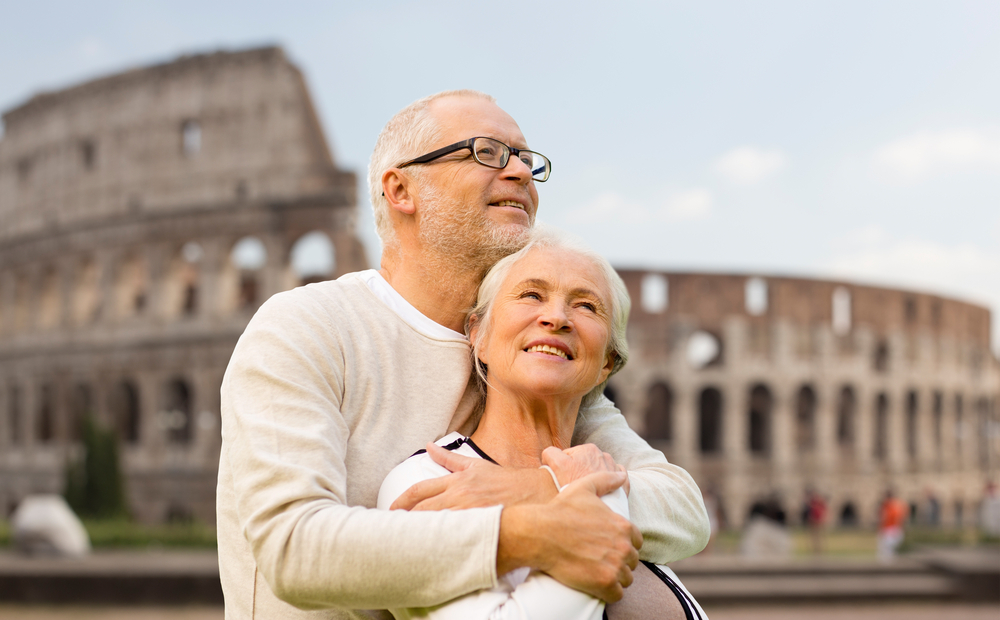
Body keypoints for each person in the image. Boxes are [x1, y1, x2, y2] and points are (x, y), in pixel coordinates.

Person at [216, 90, 710, 619]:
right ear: (401, 189)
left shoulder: (526, 358)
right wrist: (527, 532)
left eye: (525, 158)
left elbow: (682, 509)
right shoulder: (308, 326)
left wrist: (536, 488)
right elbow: (294, 548)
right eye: (487, 152)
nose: (520, 171)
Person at [378, 228, 707, 620]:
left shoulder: (605, 470)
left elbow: (688, 517)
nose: (556, 318)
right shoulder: (429, 477)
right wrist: (596, 496)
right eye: (531, 295)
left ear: (607, 363)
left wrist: (556, 487)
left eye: (586, 306)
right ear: (478, 334)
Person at [877, 490, 907, 563]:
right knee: (885, 552)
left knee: (888, 552)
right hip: (888, 530)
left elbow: (897, 519)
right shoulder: (887, 506)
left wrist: (895, 530)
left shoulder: (893, 507)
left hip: (891, 530)